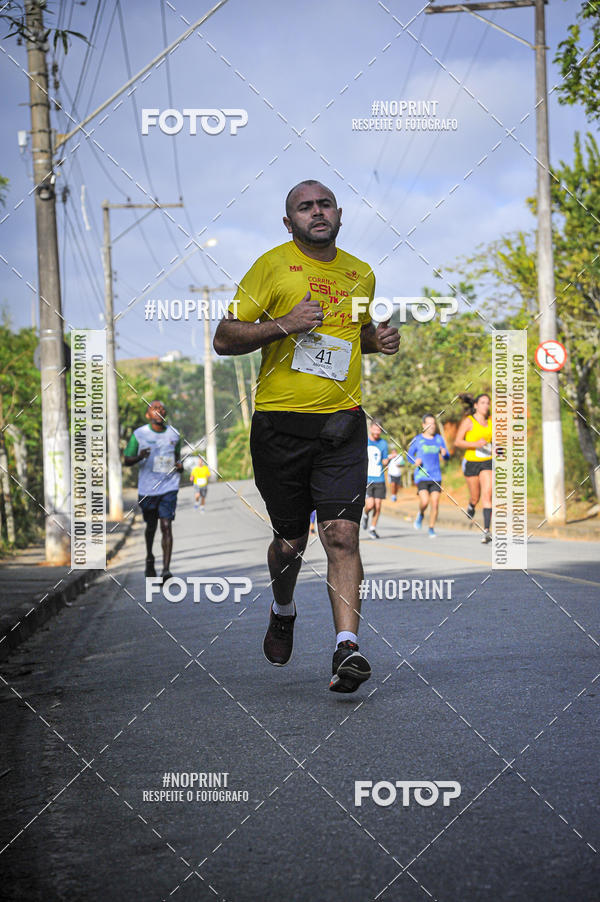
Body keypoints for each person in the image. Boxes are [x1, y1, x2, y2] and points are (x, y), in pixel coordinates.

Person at [213, 179, 399, 692]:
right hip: (279, 423)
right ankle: (283, 607)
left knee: (340, 534)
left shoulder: (362, 274)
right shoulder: (271, 267)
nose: (316, 212)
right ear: (288, 220)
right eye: (304, 206)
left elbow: (349, 333)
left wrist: (375, 339)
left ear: (339, 213)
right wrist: (285, 324)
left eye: (324, 204)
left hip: (342, 421)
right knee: (291, 542)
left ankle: (347, 649)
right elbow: (225, 338)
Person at [123, 400, 183, 581]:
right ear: (148, 415)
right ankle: (149, 557)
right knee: (151, 526)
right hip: (148, 488)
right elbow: (126, 460)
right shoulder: (139, 434)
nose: (159, 411)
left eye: (162, 408)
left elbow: (177, 458)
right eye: (154, 408)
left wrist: (180, 466)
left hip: (169, 486)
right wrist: (139, 456)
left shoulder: (174, 434)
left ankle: (166, 570)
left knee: (166, 525)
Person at [454, 393, 493, 543]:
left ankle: (487, 531)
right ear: (476, 405)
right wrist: (475, 444)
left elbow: (496, 443)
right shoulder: (468, 422)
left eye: (487, 403)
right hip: (471, 462)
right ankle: (471, 505)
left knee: (487, 495)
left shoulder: (491, 422)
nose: (485, 405)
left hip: (487, 461)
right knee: (475, 496)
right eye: (482, 403)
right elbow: (458, 442)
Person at [407, 414, 450, 539]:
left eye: (434, 424)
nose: (432, 426)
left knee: (435, 503)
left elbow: (447, 456)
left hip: (436, 476)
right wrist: (415, 461)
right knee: (425, 501)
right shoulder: (418, 439)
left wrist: (444, 453)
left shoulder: (439, 439)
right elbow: (409, 455)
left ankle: (431, 528)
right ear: (423, 425)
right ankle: (420, 514)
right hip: (422, 475)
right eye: (429, 424)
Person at [361, 421, 389, 538]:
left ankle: (372, 528)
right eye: (376, 429)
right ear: (371, 429)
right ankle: (366, 515)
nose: (377, 432)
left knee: (378, 505)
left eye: (380, 430)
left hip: (379, 478)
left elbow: (384, 460)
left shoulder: (383, 443)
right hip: (367, 478)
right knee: (370, 505)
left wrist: (387, 461)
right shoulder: (364, 441)